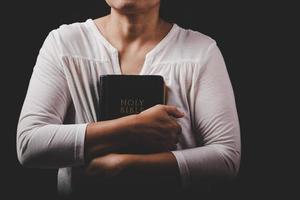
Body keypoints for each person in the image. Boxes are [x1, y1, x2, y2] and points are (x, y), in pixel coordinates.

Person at [17, 0, 241, 198]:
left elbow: (226, 157)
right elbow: (29, 144)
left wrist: (125, 166)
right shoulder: (64, 43)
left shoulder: (201, 51)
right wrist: (131, 128)